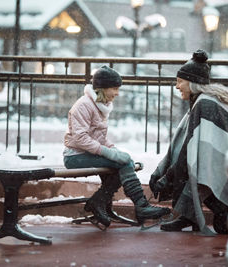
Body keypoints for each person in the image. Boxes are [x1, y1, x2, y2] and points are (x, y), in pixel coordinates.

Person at [149, 50, 228, 236]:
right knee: (196, 165)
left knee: (198, 167)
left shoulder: (206, 103)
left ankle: (218, 212)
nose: (177, 86)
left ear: (193, 83)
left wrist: (167, 176)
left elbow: (190, 150)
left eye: (180, 81)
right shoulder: (206, 100)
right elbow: (190, 146)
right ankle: (191, 216)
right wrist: (167, 172)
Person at [63, 65, 170, 229]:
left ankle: (99, 202)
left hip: (86, 153)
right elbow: (80, 138)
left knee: (123, 162)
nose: (117, 93)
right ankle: (140, 206)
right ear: (102, 88)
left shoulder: (99, 106)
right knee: (122, 163)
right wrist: (110, 154)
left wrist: (116, 151)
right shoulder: (84, 105)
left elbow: (100, 138)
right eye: (114, 88)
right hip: (75, 156)